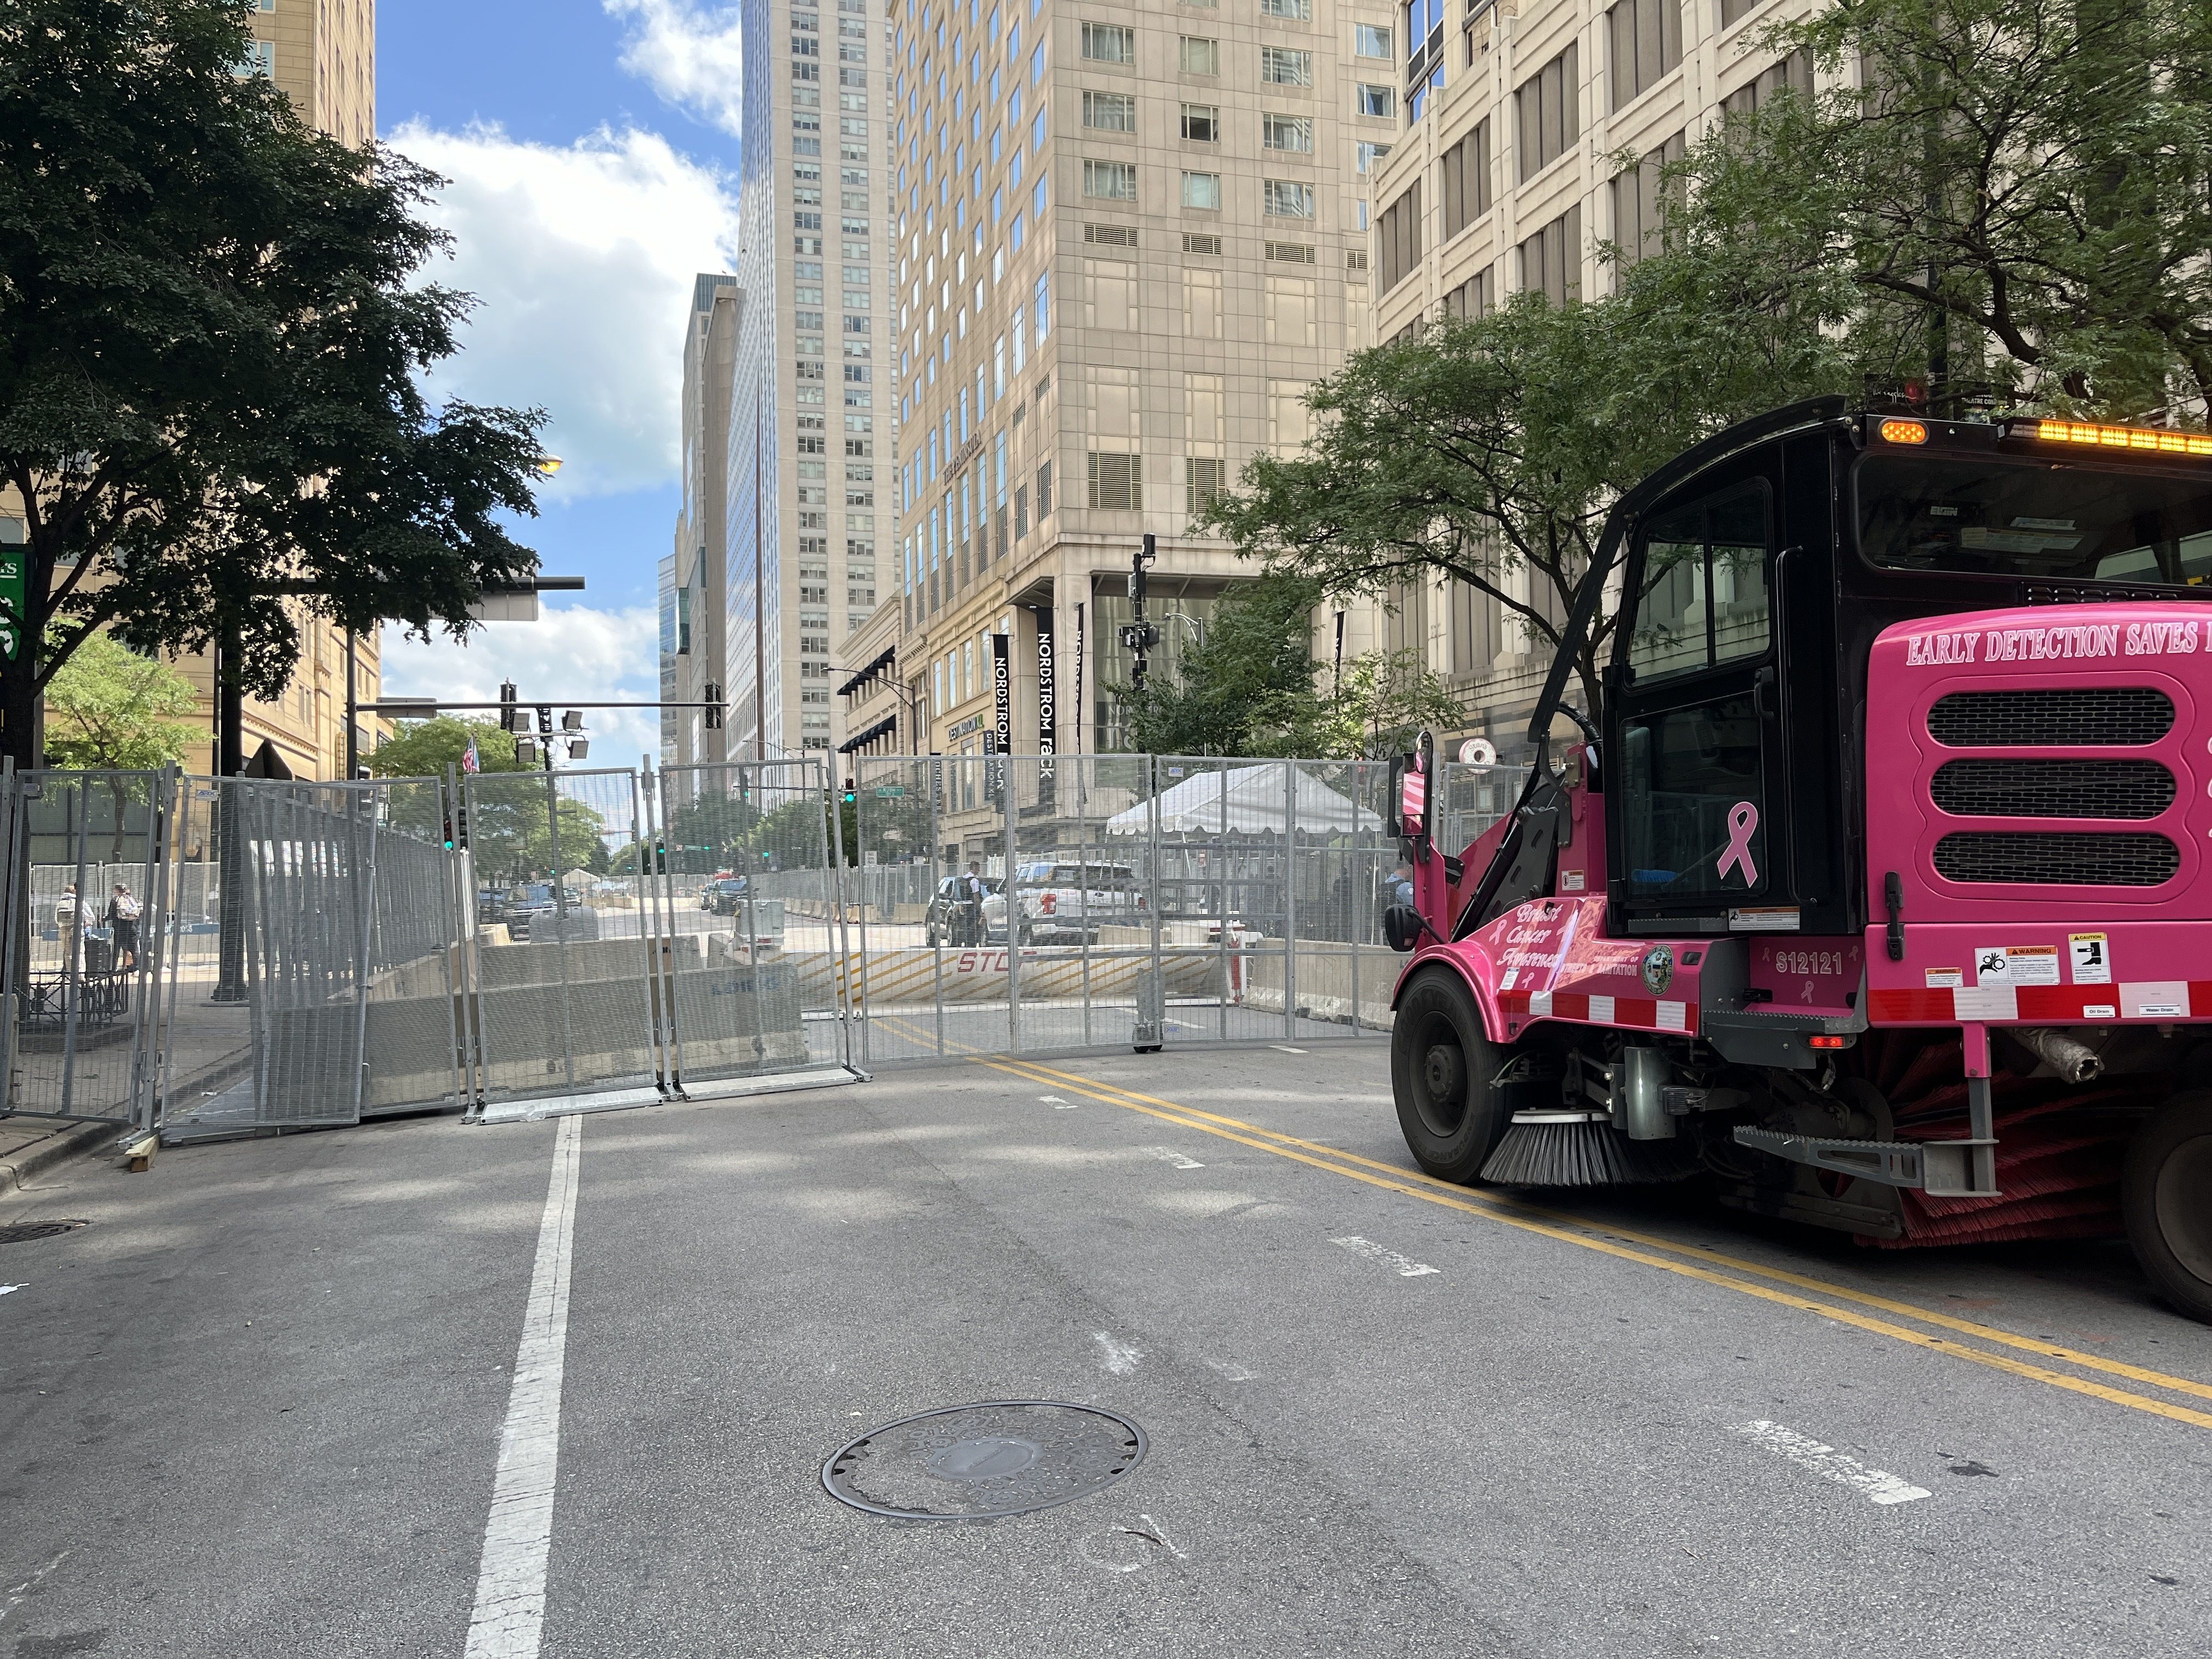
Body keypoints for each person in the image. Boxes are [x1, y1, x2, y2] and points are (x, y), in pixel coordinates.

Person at [106, 883, 141, 973]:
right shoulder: (132, 899)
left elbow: (112, 915)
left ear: (117, 890)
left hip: (119, 928)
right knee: (134, 948)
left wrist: (104, 919)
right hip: (132, 928)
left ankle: (114, 968)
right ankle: (136, 967)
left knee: (117, 949)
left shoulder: (115, 900)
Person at [953, 860, 986, 946]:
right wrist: (980, 910)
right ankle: (971, 945)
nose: (979, 870)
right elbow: (976, 896)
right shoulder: (974, 880)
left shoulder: (963, 879)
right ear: (974, 868)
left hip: (964, 906)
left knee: (966, 927)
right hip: (972, 907)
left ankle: (966, 944)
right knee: (974, 928)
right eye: (978, 868)